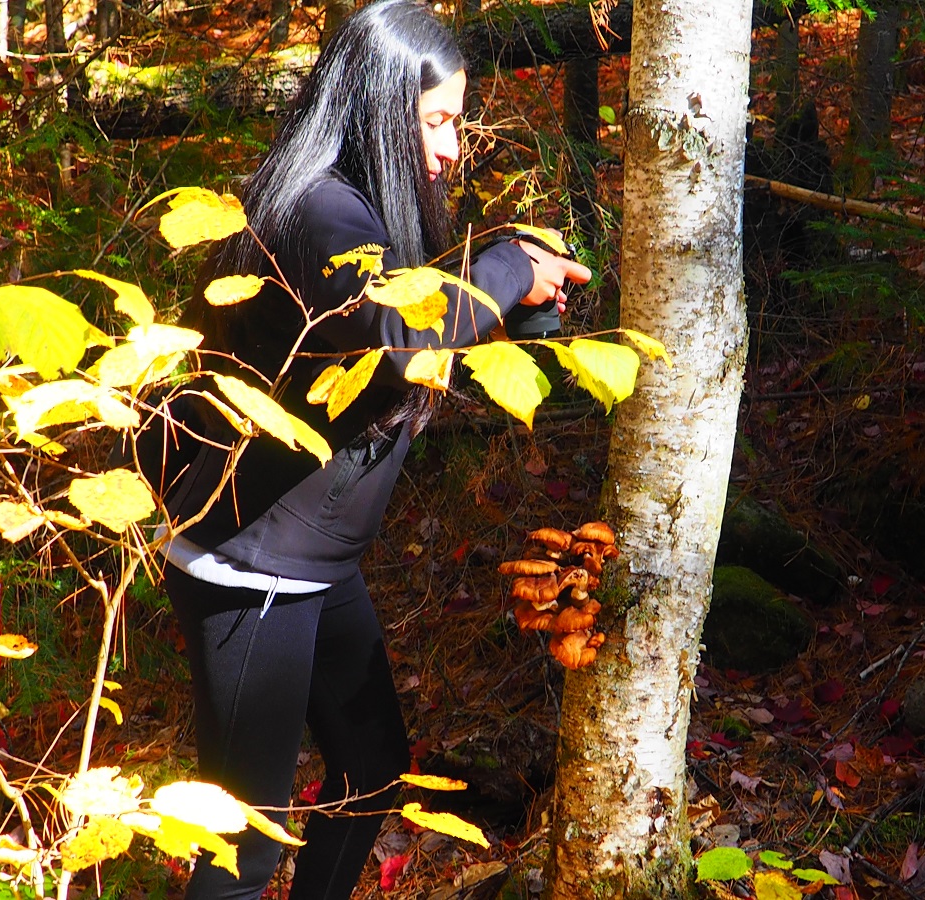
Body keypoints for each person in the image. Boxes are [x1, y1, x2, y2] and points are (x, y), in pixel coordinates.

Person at [150, 2, 591, 897]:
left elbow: (399, 349)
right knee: (247, 845)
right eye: (437, 120)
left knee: (373, 766)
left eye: (456, 120)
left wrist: (516, 302)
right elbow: (398, 338)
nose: (452, 144)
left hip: (314, 560)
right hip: (248, 563)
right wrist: (506, 263)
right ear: (381, 111)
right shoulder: (317, 210)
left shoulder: (366, 212)